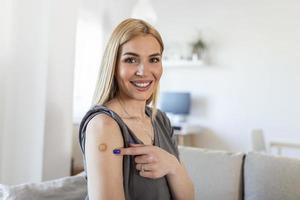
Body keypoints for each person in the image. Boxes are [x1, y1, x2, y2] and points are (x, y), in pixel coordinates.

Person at [79, 18, 195, 200]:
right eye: (131, 59)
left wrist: (172, 165)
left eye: (154, 59)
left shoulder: (160, 119)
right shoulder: (104, 126)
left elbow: (188, 197)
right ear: (114, 66)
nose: (143, 71)